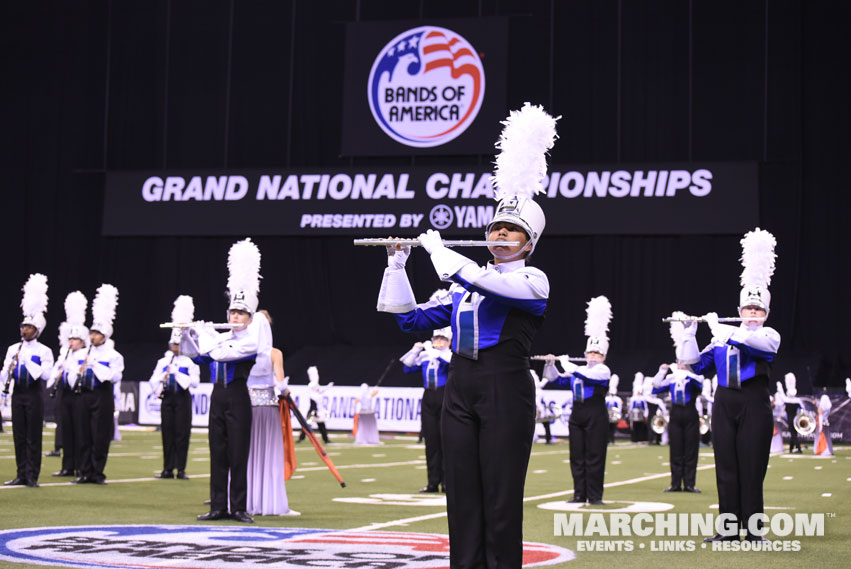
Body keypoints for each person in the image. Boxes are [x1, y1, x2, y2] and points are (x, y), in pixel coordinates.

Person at [377, 102, 557, 569]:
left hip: (506, 389)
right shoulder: (462, 283)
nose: (499, 235)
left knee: (500, 499)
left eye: (511, 231)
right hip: (460, 389)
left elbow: (484, 280)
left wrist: (441, 252)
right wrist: (397, 266)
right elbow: (408, 320)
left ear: (529, 242)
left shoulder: (532, 281)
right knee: (461, 498)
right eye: (495, 227)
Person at [679, 228, 780, 542]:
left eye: (757, 310)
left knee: (752, 468)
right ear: (739, 311)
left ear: (764, 314)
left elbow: (755, 346)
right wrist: (688, 333)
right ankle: (727, 530)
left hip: (754, 403)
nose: (751, 314)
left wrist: (719, 328)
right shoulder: (721, 340)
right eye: (747, 309)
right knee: (726, 467)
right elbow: (693, 363)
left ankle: (752, 532)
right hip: (724, 402)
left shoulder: (768, 335)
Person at [186, 238, 262, 524]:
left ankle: (238, 507)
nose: (234, 316)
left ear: (249, 317)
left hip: (239, 398)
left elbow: (223, 354)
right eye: (232, 312)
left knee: (238, 454)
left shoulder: (248, 341)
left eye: (240, 312)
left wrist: (207, 337)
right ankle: (218, 506)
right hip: (217, 397)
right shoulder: (220, 339)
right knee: (217, 453)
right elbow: (198, 358)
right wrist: (189, 334)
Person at [543, 296, 613, 505]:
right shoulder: (578, 369)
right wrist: (551, 364)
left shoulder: (603, 370)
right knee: (577, 455)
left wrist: (567, 364)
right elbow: (555, 379)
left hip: (596, 413)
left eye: (596, 353)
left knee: (594, 455)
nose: (592, 356)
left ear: (603, 356)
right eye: (590, 352)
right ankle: (579, 494)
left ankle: (594, 496)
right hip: (577, 413)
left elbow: (587, 377)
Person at [2, 274, 54, 487]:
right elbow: (4, 372)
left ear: (37, 330)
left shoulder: (44, 351)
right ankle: (21, 473)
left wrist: (27, 361)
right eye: (23, 326)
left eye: (29, 328)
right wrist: (8, 373)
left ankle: (32, 475)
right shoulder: (13, 348)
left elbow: (46, 375)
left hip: (34, 395)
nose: (24, 330)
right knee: (19, 436)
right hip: (18, 394)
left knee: (33, 437)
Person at [245, 309, 299, 516]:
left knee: (248, 455)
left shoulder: (243, 351)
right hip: (267, 410)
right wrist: (286, 390)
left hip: (246, 409)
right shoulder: (274, 353)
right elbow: (280, 385)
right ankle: (271, 502)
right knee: (269, 456)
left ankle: (248, 501)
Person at [75, 284, 124, 485]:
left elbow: (113, 377)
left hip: (102, 396)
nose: (92, 336)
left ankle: (97, 472)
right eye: (91, 333)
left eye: (96, 333)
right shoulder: (81, 354)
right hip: (84, 395)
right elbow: (71, 374)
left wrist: (94, 365)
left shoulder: (114, 356)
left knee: (100, 436)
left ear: (104, 336)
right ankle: (84, 471)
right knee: (84, 434)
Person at [652, 315, 705, 493]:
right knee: (676, 449)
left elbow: (700, 386)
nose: (681, 364)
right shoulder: (672, 378)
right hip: (675, 414)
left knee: (690, 449)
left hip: (690, 414)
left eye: (684, 361)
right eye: (679, 361)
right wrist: (662, 371)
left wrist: (688, 374)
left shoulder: (694, 376)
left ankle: (689, 484)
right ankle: (675, 483)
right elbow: (656, 388)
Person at [151, 296, 200, 480]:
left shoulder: (190, 360)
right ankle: (167, 468)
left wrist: (177, 374)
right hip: (168, 397)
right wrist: (162, 380)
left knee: (181, 433)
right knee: (167, 433)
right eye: (173, 344)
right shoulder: (164, 361)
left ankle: (181, 469)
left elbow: (194, 382)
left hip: (182, 398)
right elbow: (153, 379)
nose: (175, 347)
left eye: (178, 344)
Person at [400, 324, 451, 491]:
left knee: (446, 441)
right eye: (437, 338)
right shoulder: (425, 356)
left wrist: (432, 350)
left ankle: (447, 482)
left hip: (444, 396)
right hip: (429, 397)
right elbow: (407, 367)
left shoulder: (450, 355)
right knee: (431, 441)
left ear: (449, 342)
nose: (439, 341)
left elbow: (447, 364)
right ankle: (432, 482)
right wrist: (416, 350)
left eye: (443, 339)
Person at [47, 291, 88, 477]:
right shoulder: (65, 353)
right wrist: (56, 376)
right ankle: (67, 465)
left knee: (79, 430)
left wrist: (69, 369)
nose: (72, 342)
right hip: (64, 394)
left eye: (75, 340)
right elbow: (54, 371)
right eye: (70, 339)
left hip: (78, 395)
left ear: (82, 341)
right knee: (66, 429)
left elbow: (79, 374)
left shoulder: (85, 355)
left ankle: (80, 465)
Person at [297, 366, 332, 444]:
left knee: (321, 425)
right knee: (307, 425)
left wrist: (328, 387)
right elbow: (318, 391)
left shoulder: (316, 391)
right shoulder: (312, 390)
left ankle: (326, 440)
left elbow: (320, 390)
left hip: (318, 410)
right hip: (313, 410)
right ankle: (301, 438)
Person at [778, 373, 802, 453]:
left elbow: (782, 396)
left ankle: (798, 448)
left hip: (790, 419)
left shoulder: (787, 400)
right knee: (793, 434)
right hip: (796, 419)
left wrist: (779, 387)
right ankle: (791, 449)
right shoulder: (797, 401)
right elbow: (802, 408)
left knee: (793, 434)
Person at [628, 372, 649, 443]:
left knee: (641, 427)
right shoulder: (633, 398)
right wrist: (630, 414)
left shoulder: (643, 398)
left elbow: (645, 407)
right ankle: (634, 439)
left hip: (641, 414)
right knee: (634, 427)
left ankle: (641, 438)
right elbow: (631, 407)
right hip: (635, 414)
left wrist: (645, 415)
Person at [605, 374, 623, 444]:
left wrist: (619, 415)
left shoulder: (618, 399)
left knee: (613, 428)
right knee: (606, 428)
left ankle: (612, 440)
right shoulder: (606, 398)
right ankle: (607, 440)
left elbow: (619, 408)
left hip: (614, 416)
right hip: (607, 415)